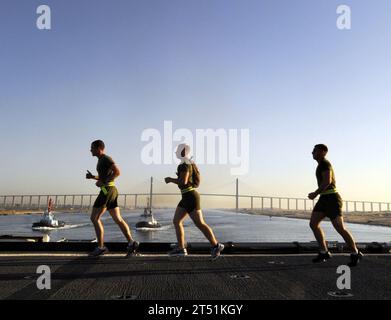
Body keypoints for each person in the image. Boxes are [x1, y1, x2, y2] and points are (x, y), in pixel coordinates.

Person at [165, 144, 224, 259]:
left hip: (190, 197)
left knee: (200, 223)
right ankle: (181, 249)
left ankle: (216, 245)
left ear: (183, 151)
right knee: (176, 221)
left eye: (177, 150)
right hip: (186, 196)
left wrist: (170, 179)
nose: (175, 152)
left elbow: (183, 182)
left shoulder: (184, 164)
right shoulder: (188, 163)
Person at [308, 144, 363, 266]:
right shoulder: (320, 165)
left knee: (339, 227)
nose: (312, 153)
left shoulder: (325, 164)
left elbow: (327, 181)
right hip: (324, 199)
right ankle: (324, 252)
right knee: (313, 224)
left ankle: (355, 253)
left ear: (323, 152)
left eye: (314, 150)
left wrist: (315, 193)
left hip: (332, 199)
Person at [86, 140, 139, 257]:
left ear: (99, 148)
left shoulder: (106, 159)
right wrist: (93, 177)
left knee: (94, 218)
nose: (90, 150)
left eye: (92, 148)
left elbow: (117, 172)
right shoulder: (101, 160)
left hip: (107, 190)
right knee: (117, 219)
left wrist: (103, 182)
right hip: (108, 190)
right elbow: (103, 177)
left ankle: (101, 247)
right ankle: (131, 243)